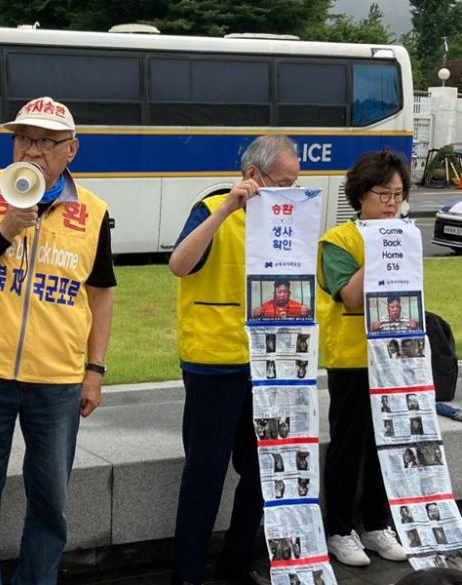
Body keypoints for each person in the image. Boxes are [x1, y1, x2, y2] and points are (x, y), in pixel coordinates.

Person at [0, 97, 116, 585]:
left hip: (58, 379)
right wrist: (2, 232)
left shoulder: (94, 211)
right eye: (23, 138)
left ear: (71, 150)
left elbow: (100, 295)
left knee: (51, 501)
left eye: (46, 141)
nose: (32, 150)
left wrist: (95, 370)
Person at [169, 134, 300, 585]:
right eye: (282, 182)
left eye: (293, 183)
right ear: (252, 176)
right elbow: (179, 265)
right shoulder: (210, 210)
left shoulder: (287, 217)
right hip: (214, 361)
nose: (289, 191)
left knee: (264, 470)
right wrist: (227, 210)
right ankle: (187, 573)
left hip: (268, 363)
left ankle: (239, 559)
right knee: (205, 473)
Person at [317, 150, 410, 567]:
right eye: (383, 193)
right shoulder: (337, 241)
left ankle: (377, 523)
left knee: (386, 442)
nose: (392, 203)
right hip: (352, 357)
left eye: (398, 194)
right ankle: (338, 529)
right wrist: (382, 244)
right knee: (348, 444)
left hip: (394, 353)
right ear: (360, 194)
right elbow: (349, 294)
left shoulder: (406, 234)